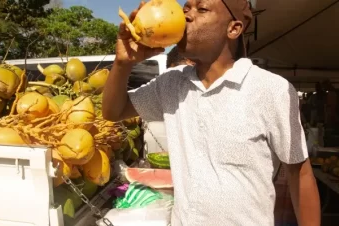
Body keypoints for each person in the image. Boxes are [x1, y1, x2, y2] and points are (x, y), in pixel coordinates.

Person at [102, 0, 321, 225]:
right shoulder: (171, 84)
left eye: (202, 9)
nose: (187, 15)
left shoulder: (271, 90)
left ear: (233, 29)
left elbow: (299, 174)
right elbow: (113, 111)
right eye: (185, 8)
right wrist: (122, 63)